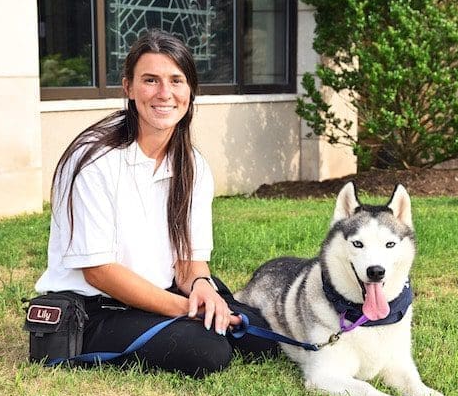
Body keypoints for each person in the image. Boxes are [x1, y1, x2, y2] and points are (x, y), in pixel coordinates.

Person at [35, 29, 277, 378]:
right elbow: (98, 271)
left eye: (176, 81)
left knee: (260, 335)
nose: (165, 94)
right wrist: (184, 309)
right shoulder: (94, 161)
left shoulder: (192, 165)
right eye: (150, 80)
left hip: (159, 292)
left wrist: (202, 289)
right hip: (95, 308)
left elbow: (190, 262)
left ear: (190, 91)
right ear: (129, 88)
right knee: (208, 350)